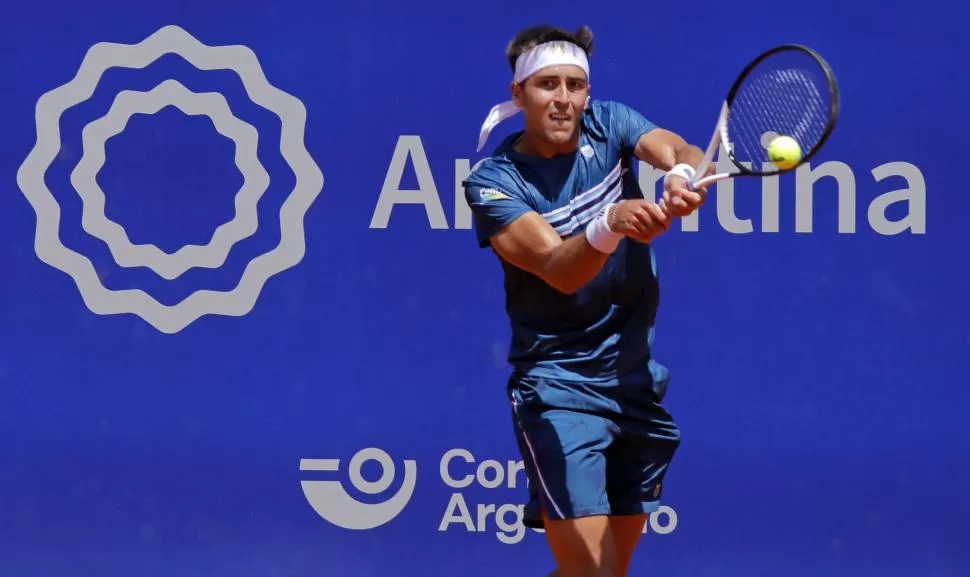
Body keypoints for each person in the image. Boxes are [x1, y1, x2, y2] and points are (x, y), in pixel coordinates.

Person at [462, 24, 714, 577]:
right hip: (558, 389)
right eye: (547, 84)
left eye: (575, 85)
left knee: (604, 572)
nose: (563, 99)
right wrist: (609, 221)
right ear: (518, 94)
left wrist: (678, 175)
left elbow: (678, 147)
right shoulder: (494, 181)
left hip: (634, 382)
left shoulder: (611, 123)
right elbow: (558, 269)